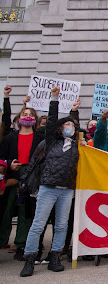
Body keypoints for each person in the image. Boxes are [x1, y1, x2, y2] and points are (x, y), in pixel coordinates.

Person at [20, 86, 87, 277]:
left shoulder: (76, 145)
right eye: (66, 125)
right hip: (48, 188)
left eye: (72, 126)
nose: (70, 128)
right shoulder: (50, 142)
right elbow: (50, 121)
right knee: (38, 224)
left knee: (62, 225)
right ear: (60, 129)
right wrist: (54, 98)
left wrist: (83, 142)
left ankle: (55, 257)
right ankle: (29, 259)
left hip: (66, 189)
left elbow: (79, 127)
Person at [0, 86, 44, 260]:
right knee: (6, 210)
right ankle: (2, 239)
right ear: (19, 119)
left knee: (25, 213)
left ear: (35, 119)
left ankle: (21, 245)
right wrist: (10, 164)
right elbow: (2, 156)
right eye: (25, 114)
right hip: (12, 176)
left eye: (31, 115)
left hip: (31, 176)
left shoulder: (39, 138)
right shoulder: (11, 137)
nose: (28, 116)